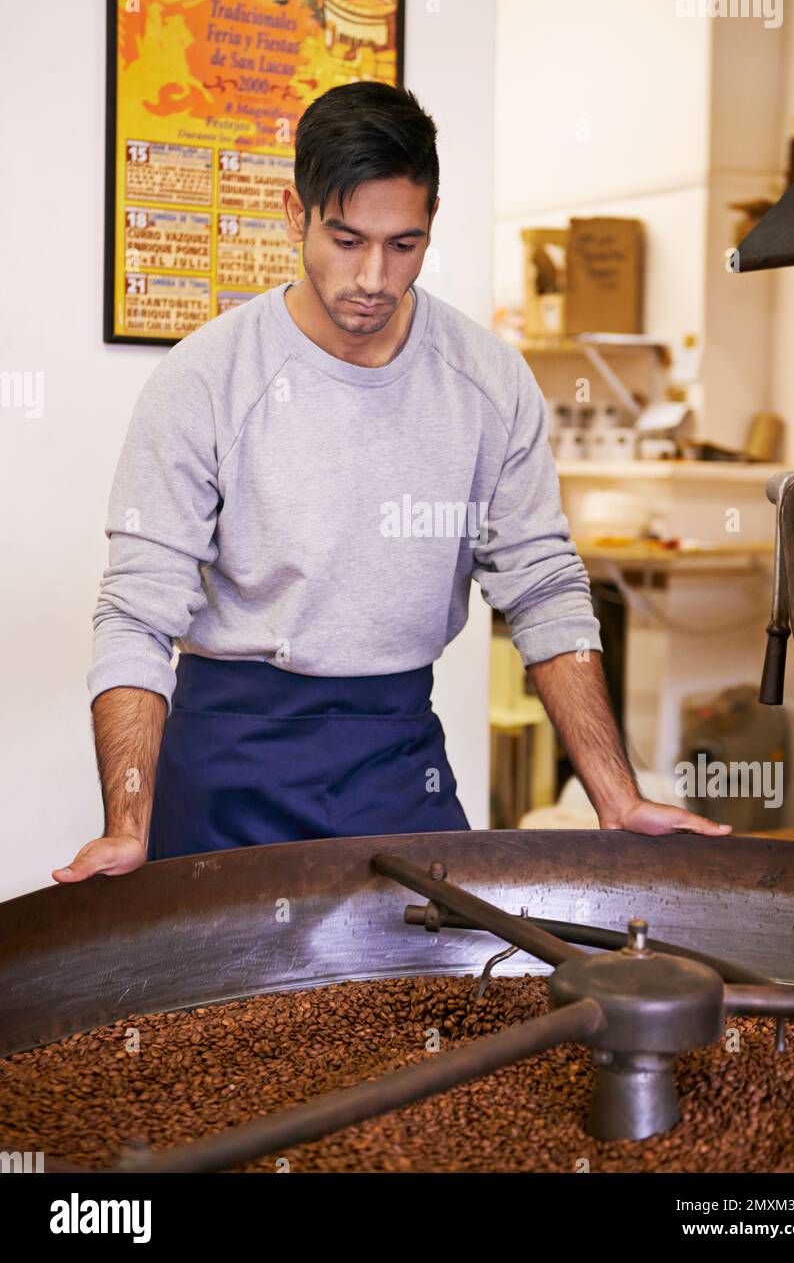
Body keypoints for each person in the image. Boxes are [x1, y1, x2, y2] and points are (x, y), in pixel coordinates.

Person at [53, 81, 729, 883]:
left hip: (398, 750)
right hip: (232, 752)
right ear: (293, 213)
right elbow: (136, 611)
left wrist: (612, 798)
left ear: (431, 222)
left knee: (440, 989)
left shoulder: (485, 379)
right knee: (229, 1005)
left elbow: (542, 587)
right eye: (346, 240)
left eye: (403, 245)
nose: (373, 276)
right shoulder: (206, 378)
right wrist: (127, 823)